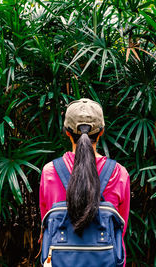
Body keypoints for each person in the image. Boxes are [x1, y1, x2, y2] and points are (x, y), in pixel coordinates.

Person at [39, 98, 130, 266]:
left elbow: (47, 222)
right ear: (102, 131)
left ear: (67, 131)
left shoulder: (49, 172)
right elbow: (120, 228)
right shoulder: (119, 173)